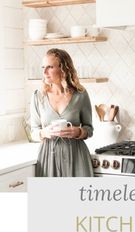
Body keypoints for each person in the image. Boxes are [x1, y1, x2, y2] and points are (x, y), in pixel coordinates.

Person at [30, 48, 94, 177]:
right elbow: (34, 132)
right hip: (48, 157)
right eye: (43, 67)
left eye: (50, 67)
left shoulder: (80, 94)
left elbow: (89, 129)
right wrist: (44, 133)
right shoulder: (38, 96)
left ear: (63, 68)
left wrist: (79, 132)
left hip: (76, 156)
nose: (44, 72)